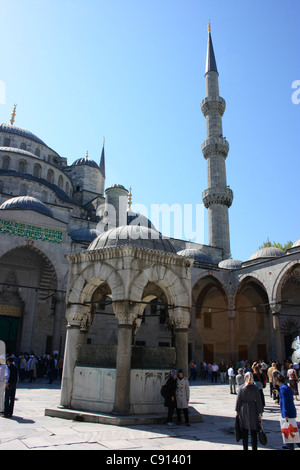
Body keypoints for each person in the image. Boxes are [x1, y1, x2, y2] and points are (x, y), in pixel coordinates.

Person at [235, 372, 263, 451]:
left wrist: (237, 411)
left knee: (245, 431)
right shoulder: (255, 388)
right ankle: (254, 448)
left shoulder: (241, 388)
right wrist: (260, 413)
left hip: (243, 409)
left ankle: (245, 448)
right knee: (254, 431)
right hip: (253, 409)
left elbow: (238, 400)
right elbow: (258, 401)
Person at [275, 374, 300, 450]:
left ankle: (292, 445)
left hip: (288, 412)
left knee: (291, 430)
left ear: (278, 381)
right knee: (289, 429)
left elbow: (285, 402)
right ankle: (289, 445)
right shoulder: (286, 387)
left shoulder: (283, 389)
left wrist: (285, 413)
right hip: (291, 410)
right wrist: (278, 394)